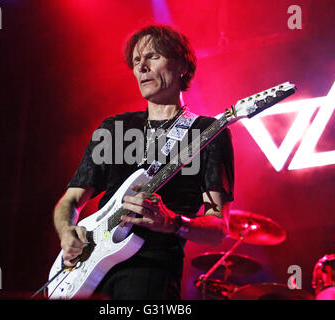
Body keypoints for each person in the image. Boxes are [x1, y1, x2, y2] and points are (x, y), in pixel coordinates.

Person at [52, 25, 234, 300]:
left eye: (153, 57)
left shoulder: (209, 133)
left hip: (151, 269)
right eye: (136, 61)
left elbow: (218, 227)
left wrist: (173, 222)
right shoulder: (114, 128)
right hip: (86, 267)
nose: (142, 67)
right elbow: (70, 200)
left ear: (182, 64)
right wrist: (67, 232)